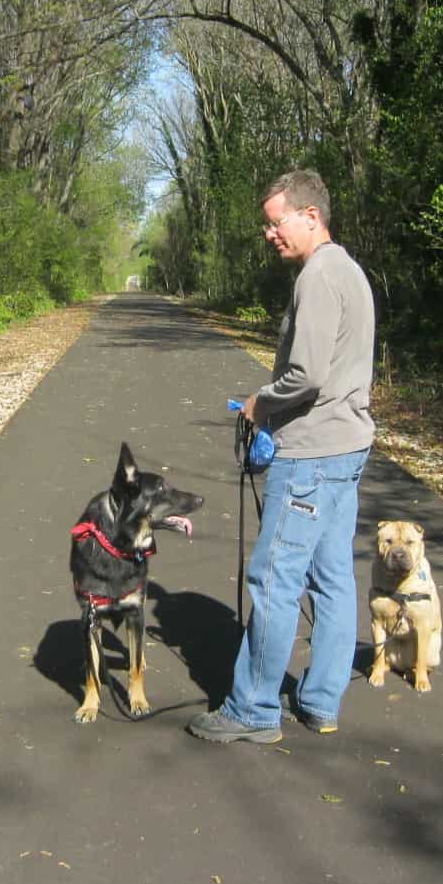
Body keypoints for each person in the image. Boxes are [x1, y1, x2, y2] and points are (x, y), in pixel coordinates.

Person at [188, 169, 375, 744]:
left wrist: (259, 403)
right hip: (348, 446)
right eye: (268, 224)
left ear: (310, 215)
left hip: (312, 454)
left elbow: (307, 376)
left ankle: (253, 710)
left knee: (274, 578)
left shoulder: (318, 276)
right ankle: (320, 701)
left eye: (277, 222)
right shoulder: (350, 271)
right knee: (333, 578)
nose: (270, 234)